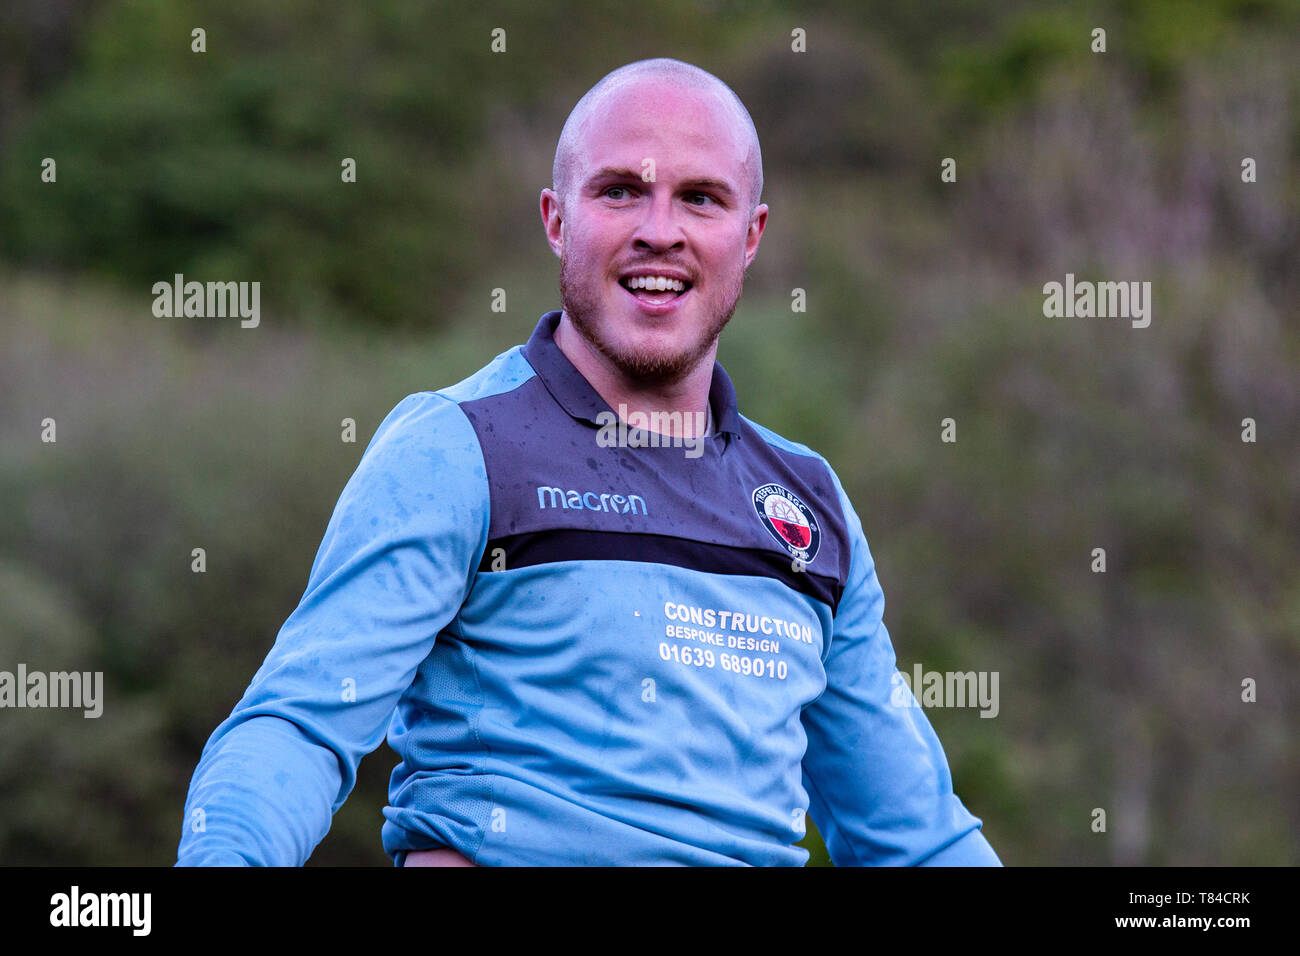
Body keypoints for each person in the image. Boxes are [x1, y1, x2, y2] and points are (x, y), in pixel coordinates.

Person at [176, 57, 1001, 867]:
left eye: (700, 199)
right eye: (620, 191)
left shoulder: (809, 508)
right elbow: (298, 728)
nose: (659, 230)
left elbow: (916, 837)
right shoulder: (458, 449)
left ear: (750, 237)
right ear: (557, 219)